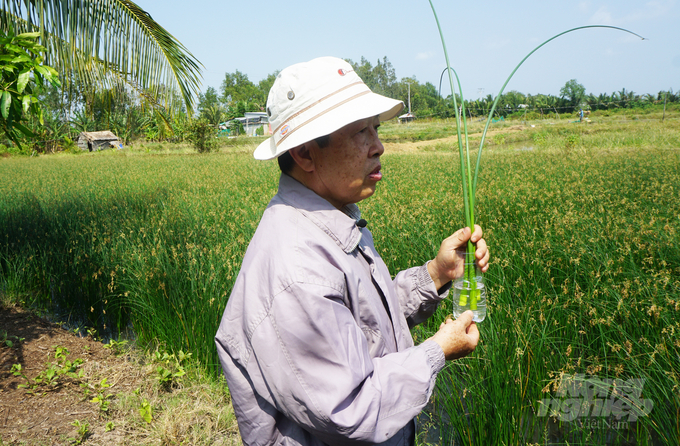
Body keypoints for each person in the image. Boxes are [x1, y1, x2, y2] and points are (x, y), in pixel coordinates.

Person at [215, 56, 490, 446]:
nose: (378, 146)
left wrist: (436, 274)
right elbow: (348, 407)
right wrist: (437, 352)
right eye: (361, 131)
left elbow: (359, 327)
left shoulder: (331, 221)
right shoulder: (297, 268)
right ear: (305, 154)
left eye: (376, 128)